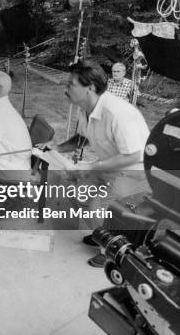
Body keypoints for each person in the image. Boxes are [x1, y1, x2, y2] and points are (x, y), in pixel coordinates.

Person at [56, 60, 150, 267]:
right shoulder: (85, 107)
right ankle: (103, 234)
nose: (66, 89)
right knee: (72, 189)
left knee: (95, 208)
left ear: (89, 88)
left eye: (70, 84)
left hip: (136, 172)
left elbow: (135, 155)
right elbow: (82, 137)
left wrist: (90, 167)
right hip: (109, 166)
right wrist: (56, 149)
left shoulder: (118, 112)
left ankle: (113, 251)